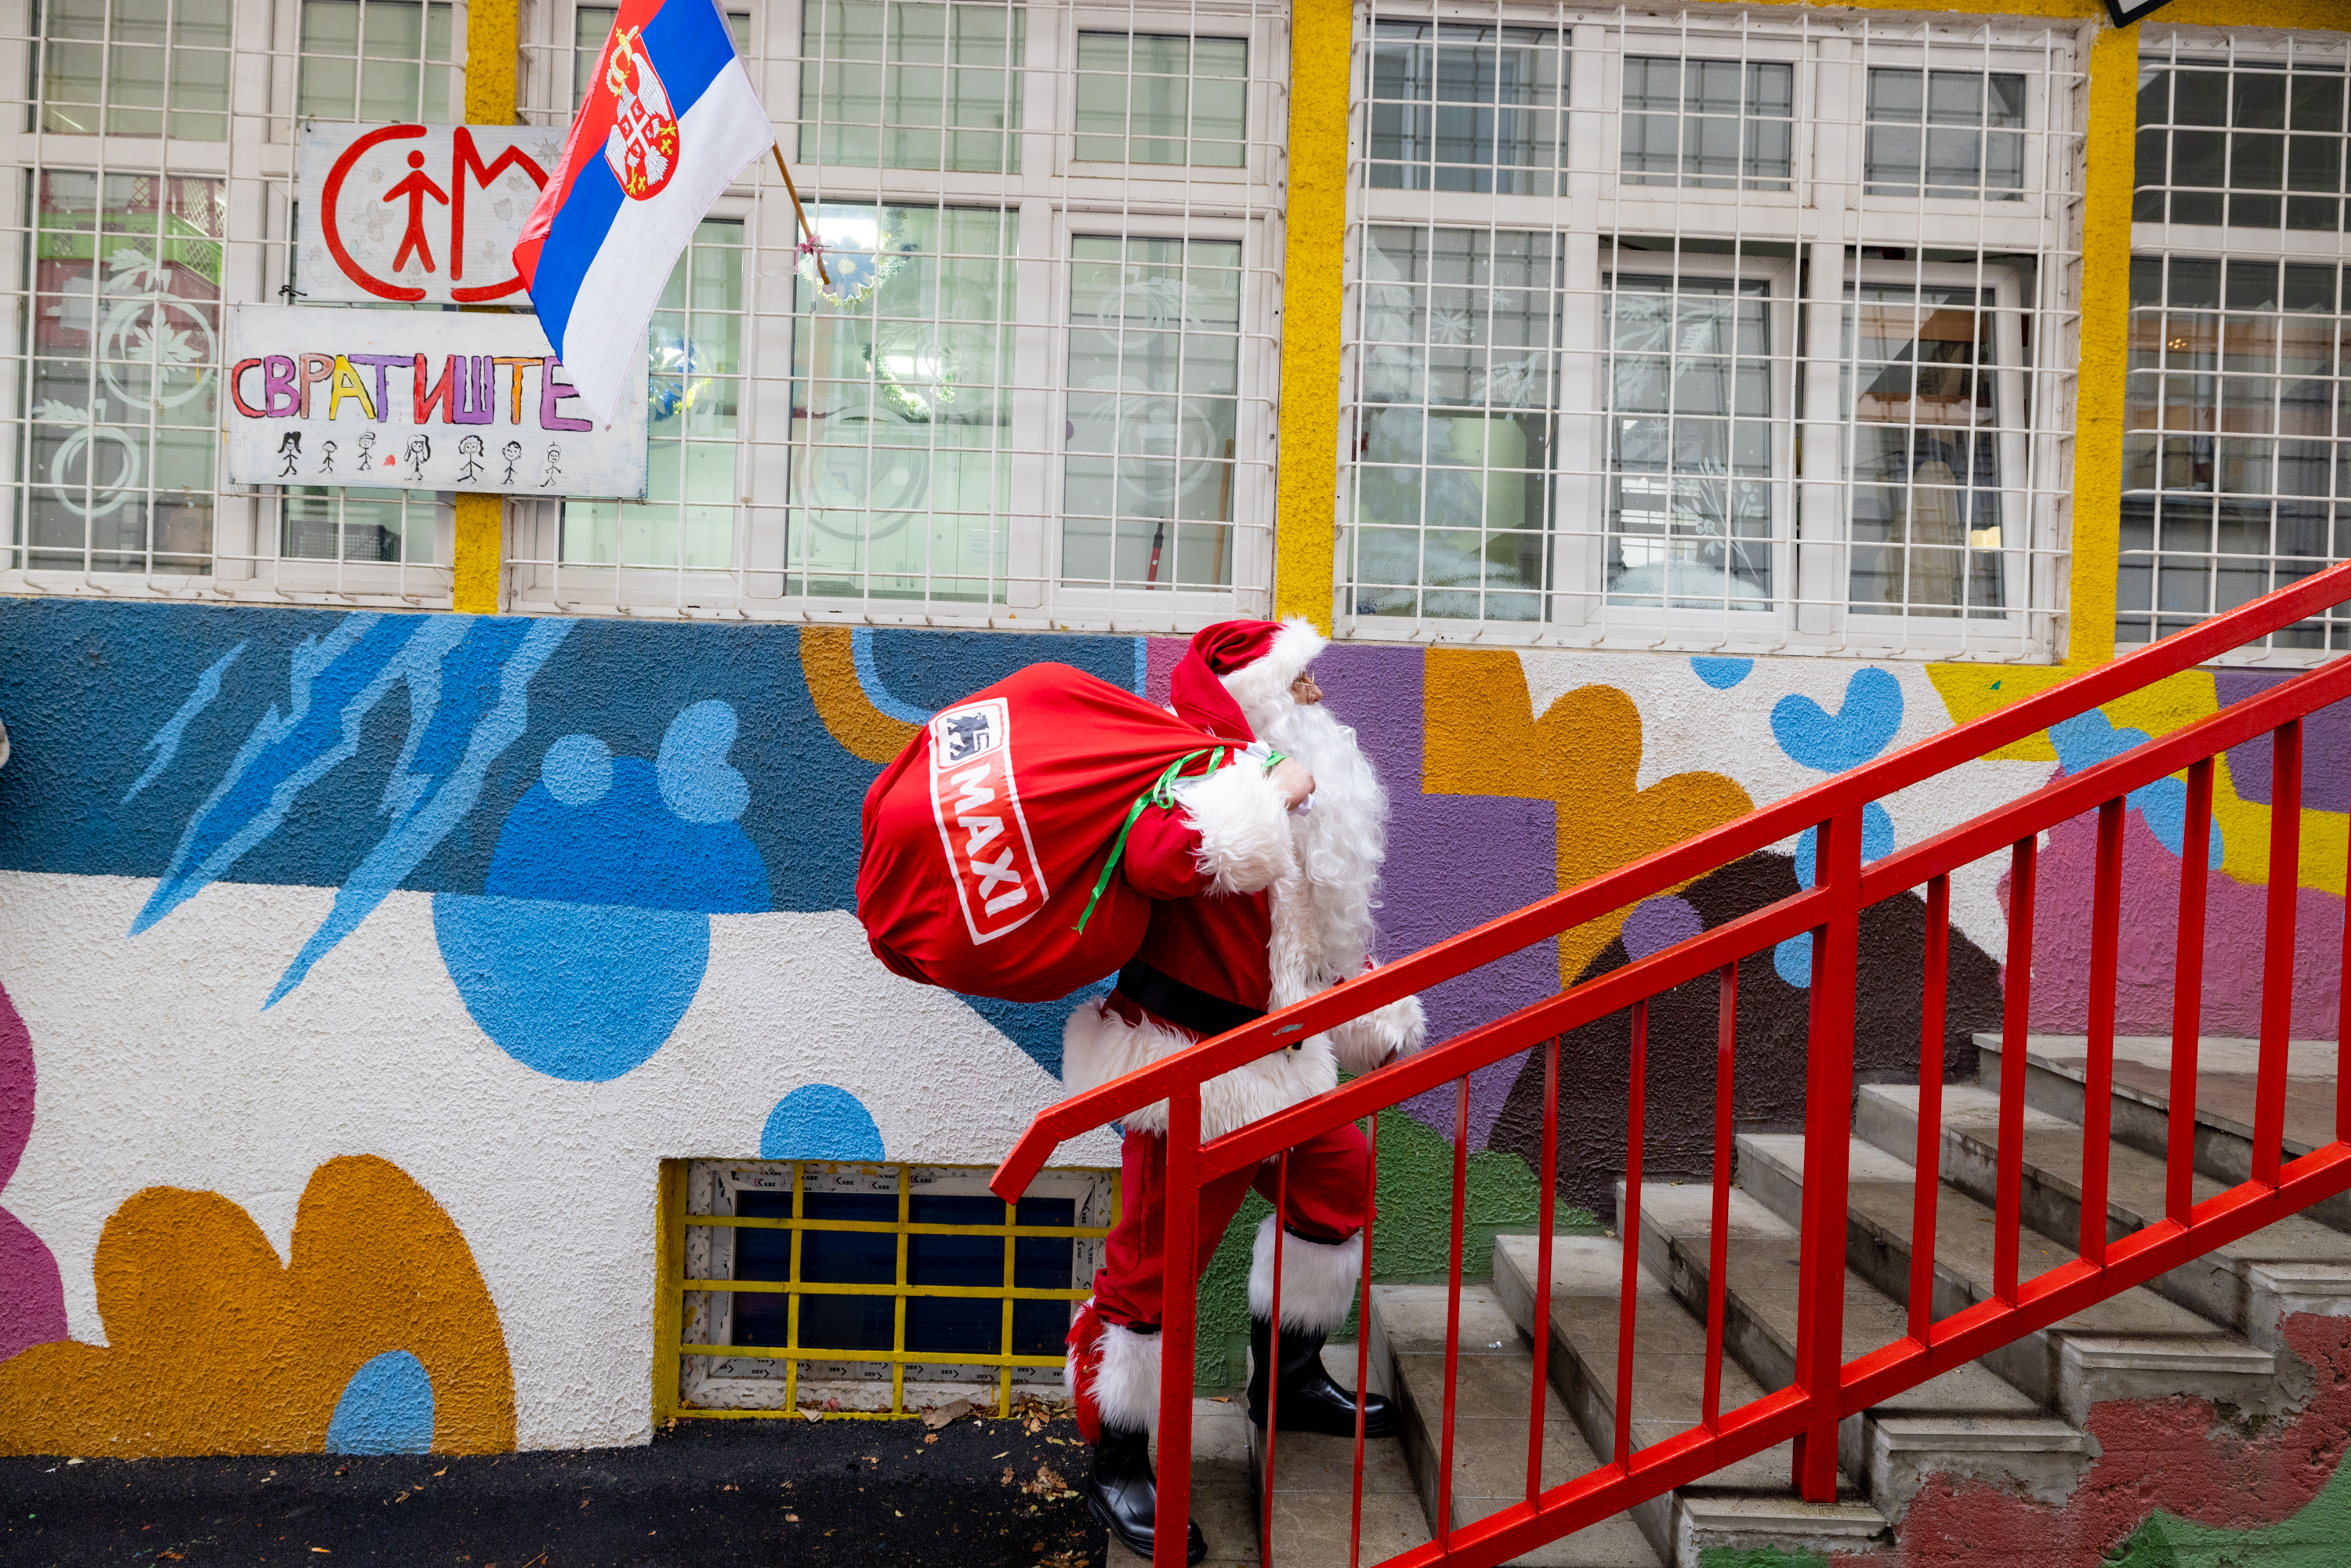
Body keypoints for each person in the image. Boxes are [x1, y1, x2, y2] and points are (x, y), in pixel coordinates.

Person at [1062, 619, 1425, 1564]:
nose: (1315, 700)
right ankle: (1117, 1453)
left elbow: (1310, 934)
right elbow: (1156, 858)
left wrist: (1367, 1009)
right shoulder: (1187, 767)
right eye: (1297, 684)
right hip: (1191, 1071)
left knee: (1336, 1184)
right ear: (1250, 695)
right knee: (1154, 1265)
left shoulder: (1295, 786)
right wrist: (1266, 796)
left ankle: (1288, 1379)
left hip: (1284, 1058)